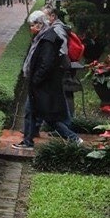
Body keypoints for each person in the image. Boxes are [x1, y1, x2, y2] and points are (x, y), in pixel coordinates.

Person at [12, 11, 83, 150]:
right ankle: (28, 141)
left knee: (48, 117)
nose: (30, 28)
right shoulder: (42, 37)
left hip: (42, 85)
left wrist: (35, 80)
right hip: (41, 84)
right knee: (32, 113)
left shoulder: (47, 40)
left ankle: (73, 138)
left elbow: (46, 64)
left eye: (32, 25)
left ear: (40, 25)